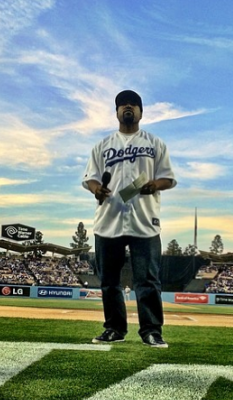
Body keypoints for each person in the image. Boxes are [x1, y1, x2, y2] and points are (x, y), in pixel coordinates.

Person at [82, 90, 176, 348]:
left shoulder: (155, 143)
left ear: (141, 112)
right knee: (109, 281)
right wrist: (96, 190)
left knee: (147, 280)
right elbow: (90, 177)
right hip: (108, 219)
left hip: (144, 220)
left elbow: (168, 178)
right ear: (116, 112)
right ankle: (114, 328)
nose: (128, 108)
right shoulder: (102, 146)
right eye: (123, 105)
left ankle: (151, 331)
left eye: (133, 105)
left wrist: (154, 184)